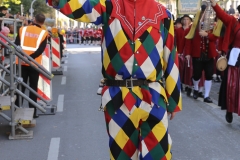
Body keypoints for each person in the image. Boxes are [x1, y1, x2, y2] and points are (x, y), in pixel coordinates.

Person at [47, 0, 182, 159]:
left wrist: (173, 101)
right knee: (122, 155)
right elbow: (79, 7)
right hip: (118, 97)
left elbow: (171, 58)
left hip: (153, 95)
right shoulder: (108, 6)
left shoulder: (163, 14)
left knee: (159, 154)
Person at [210, 0, 240, 123]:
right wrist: (214, 5)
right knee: (232, 85)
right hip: (235, 57)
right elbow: (222, 15)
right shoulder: (233, 22)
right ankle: (230, 109)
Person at [15, 13, 48, 118]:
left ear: (34, 19)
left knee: (20, 86)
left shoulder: (22, 29)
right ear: (43, 23)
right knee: (33, 88)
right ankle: (33, 112)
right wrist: (30, 58)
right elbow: (40, 50)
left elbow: (16, 45)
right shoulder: (43, 33)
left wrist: (23, 57)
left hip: (21, 62)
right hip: (34, 64)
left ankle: (17, 110)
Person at [184, 4, 218, 103]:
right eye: (204, 12)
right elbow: (189, 40)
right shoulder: (193, 27)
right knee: (197, 74)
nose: (205, 15)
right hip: (197, 54)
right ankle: (195, 88)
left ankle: (206, 96)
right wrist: (188, 53)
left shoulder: (212, 26)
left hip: (209, 54)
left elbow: (215, 38)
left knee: (209, 75)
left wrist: (207, 34)